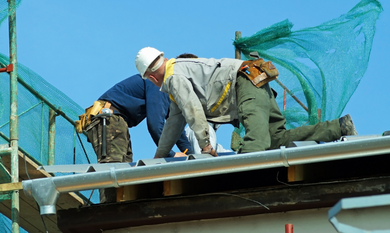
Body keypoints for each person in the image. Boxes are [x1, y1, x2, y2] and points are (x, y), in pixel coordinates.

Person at [134, 47, 358, 158]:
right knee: (276, 139)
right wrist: (159, 158)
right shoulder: (179, 73)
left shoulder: (173, 78)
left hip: (245, 86)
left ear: (152, 77)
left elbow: (193, 111)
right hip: (254, 83)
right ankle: (338, 128)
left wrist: (205, 145)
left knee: (253, 148)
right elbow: (174, 122)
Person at [79, 74, 192, 203]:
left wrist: (193, 155)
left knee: (124, 173)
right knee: (112, 169)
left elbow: (175, 128)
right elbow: (155, 125)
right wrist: (170, 154)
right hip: (110, 119)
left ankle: (117, 210)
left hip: (117, 122)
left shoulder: (167, 91)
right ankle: (108, 211)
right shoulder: (160, 83)